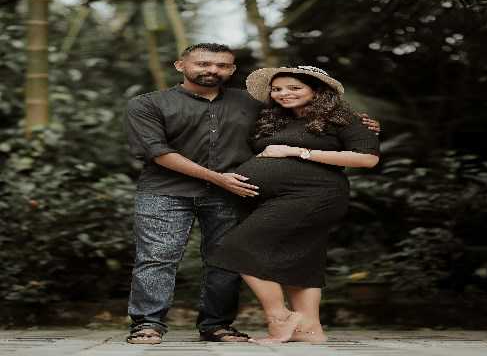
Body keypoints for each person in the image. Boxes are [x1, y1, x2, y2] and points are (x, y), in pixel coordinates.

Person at [125, 43, 380, 344]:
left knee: (224, 260)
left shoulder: (251, 103)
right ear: (180, 65)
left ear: (232, 69)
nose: (212, 70)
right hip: (167, 191)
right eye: (203, 63)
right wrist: (218, 178)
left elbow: (314, 116)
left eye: (222, 65)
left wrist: (361, 123)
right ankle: (148, 324)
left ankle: (217, 325)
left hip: (234, 193)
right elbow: (157, 151)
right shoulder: (148, 104)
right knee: (157, 257)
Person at [207, 66, 380, 344]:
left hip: (314, 196)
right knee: (302, 259)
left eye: (294, 88)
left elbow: (367, 158)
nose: (283, 94)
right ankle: (310, 330)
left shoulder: (343, 119)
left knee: (237, 247)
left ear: (317, 90)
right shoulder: (275, 119)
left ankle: (280, 318)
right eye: (277, 89)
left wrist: (298, 152)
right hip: (278, 197)